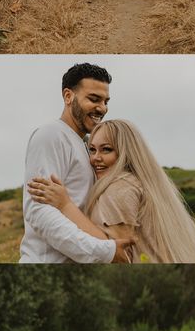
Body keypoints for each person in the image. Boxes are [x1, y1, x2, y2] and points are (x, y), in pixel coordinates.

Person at [26, 118, 195, 263]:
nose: (96, 158)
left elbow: (117, 254)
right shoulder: (136, 183)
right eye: (92, 150)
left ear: (125, 153)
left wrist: (65, 205)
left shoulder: (120, 188)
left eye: (106, 150)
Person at [19, 62, 133, 265]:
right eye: (94, 99)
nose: (102, 108)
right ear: (68, 96)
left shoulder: (84, 145)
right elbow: (39, 212)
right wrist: (104, 252)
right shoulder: (51, 134)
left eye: (106, 101)